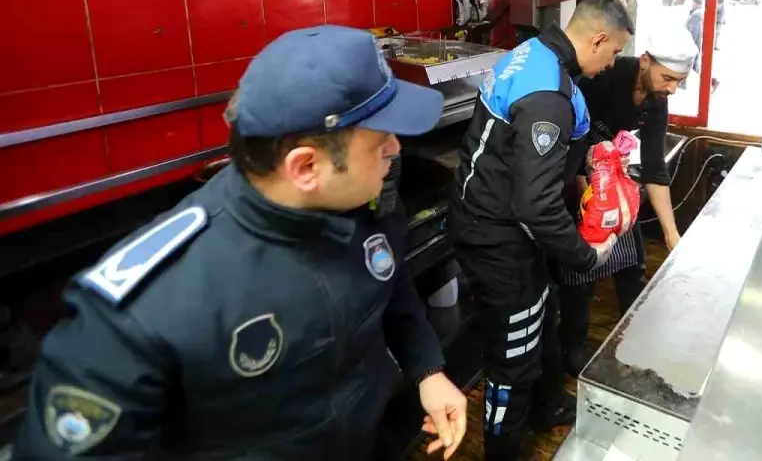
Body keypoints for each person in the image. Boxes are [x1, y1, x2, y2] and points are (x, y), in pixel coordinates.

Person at [15, 25, 468, 459]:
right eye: (379, 141)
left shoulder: (361, 208)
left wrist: (427, 370)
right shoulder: (139, 315)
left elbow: (390, 285)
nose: (395, 148)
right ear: (305, 167)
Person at [450, 0, 630, 460]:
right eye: (613, 53)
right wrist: (586, 256)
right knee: (512, 357)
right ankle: (502, 449)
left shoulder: (535, 53)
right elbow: (536, 206)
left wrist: (591, 151)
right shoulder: (547, 95)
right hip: (497, 237)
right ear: (598, 39)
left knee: (540, 320)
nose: (612, 65)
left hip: (502, 225)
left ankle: (547, 406)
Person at [556, 23, 697, 376]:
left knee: (631, 262)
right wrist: (589, 200)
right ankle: (573, 347)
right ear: (646, 61)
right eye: (667, 78)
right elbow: (575, 139)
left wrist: (671, 235)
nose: (672, 88)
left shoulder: (656, 100)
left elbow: (653, 168)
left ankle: (634, 337)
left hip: (609, 174)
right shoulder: (607, 73)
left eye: (679, 81)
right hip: (574, 170)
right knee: (582, 271)